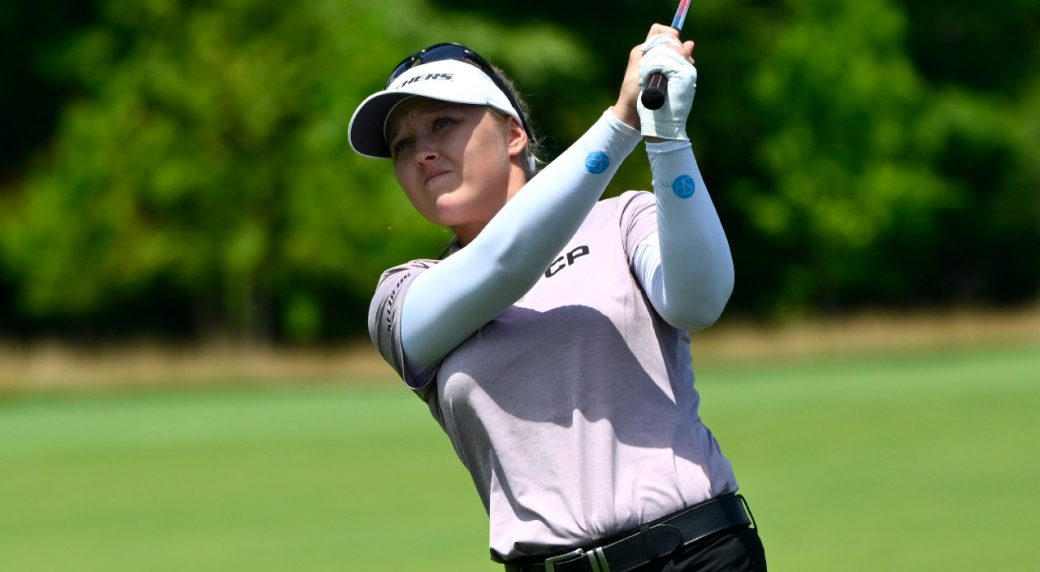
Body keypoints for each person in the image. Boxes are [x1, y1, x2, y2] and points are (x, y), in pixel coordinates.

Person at [349, 23, 767, 572]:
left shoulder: (622, 219)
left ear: (513, 134)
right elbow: (504, 263)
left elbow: (699, 302)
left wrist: (667, 136)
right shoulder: (402, 295)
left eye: (442, 123)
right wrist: (620, 123)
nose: (422, 152)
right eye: (402, 145)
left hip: (695, 553)